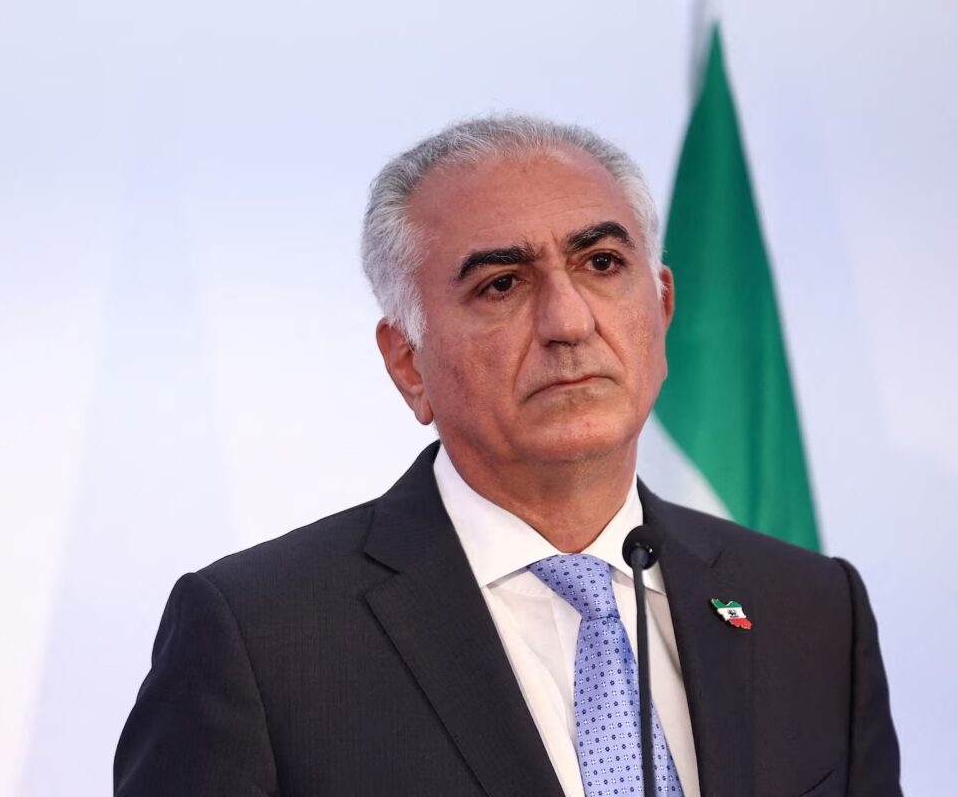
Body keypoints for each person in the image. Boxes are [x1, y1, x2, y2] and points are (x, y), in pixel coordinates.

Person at [114, 116, 900, 796]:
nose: (569, 322)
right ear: (408, 362)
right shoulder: (260, 640)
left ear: (662, 310)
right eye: (501, 285)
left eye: (601, 264)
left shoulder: (813, 611)